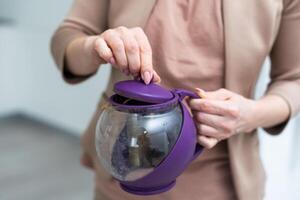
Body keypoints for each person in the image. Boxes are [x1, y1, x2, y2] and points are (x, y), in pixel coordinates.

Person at [50, 0, 300, 199]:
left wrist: (249, 114)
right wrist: (95, 47)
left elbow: (294, 80)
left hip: (221, 181)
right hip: (122, 168)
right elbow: (68, 36)